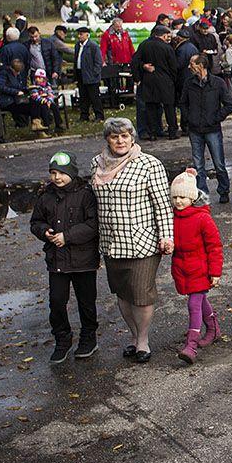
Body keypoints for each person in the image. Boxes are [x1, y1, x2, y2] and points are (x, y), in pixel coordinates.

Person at [90, 118, 175, 364]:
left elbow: (162, 204)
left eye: (125, 136)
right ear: (107, 139)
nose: (120, 141)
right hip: (111, 243)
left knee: (141, 294)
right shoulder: (96, 164)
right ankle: (134, 336)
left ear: (132, 138)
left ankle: (144, 340)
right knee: (123, 294)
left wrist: (166, 236)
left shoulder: (149, 164)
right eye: (115, 136)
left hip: (143, 244)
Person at [30, 151, 100, 363]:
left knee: (86, 301)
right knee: (57, 301)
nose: (57, 178)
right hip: (57, 260)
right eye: (53, 173)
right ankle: (62, 338)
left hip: (83, 260)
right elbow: (35, 222)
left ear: (72, 173)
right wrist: (45, 232)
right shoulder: (46, 196)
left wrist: (67, 236)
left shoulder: (86, 194)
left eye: (61, 173)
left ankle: (89, 337)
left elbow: (93, 224)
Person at [167, 169, 224, 365]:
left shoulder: (202, 218)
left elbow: (214, 246)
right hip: (182, 267)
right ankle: (213, 328)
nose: (179, 201)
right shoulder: (171, 218)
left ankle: (191, 345)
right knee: (199, 301)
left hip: (200, 267)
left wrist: (215, 272)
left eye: (183, 197)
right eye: (175, 197)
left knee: (194, 304)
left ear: (192, 197)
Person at [180, 54, 232, 204]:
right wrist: (189, 118)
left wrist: (216, 118)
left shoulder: (217, 83)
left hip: (212, 129)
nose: (189, 66)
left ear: (201, 65)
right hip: (195, 129)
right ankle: (203, 194)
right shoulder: (189, 83)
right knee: (198, 165)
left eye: (192, 63)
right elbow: (183, 103)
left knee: (219, 163)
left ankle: (224, 190)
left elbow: (229, 104)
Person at [132, 25, 179, 140]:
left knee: (151, 107)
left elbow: (135, 61)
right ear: (163, 35)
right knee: (169, 107)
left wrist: (139, 73)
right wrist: (174, 80)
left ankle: (152, 133)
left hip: (149, 80)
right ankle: (172, 131)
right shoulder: (167, 48)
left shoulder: (144, 45)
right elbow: (173, 67)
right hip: (165, 80)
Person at [71, 26, 104, 122]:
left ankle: (99, 115)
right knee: (83, 96)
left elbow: (98, 61)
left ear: (87, 35)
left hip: (91, 75)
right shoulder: (78, 45)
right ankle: (84, 115)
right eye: (79, 34)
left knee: (94, 97)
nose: (79, 36)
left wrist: (95, 73)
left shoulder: (93, 46)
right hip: (81, 73)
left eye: (81, 34)